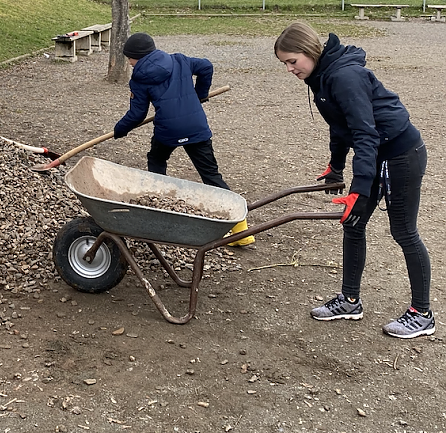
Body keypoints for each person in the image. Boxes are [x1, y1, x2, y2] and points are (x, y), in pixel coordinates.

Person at [274, 21, 434, 339]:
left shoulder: (344, 77)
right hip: (377, 152)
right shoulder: (320, 76)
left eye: (292, 61)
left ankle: (422, 314)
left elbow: (364, 133)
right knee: (354, 223)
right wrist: (335, 167)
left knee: (403, 231)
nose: (290, 69)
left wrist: (359, 189)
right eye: (285, 64)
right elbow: (340, 126)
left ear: (309, 51)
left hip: (400, 154)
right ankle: (349, 301)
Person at [113, 32, 254, 246]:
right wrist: (201, 94)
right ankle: (241, 230)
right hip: (196, 128)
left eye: (130, 58)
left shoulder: (139, 79)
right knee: (210, 175)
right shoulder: (179, 60)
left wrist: (120, 130)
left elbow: (137, 114)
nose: (130, 63)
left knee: (157, 160)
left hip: (168, 130)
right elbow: (206, 66)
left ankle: (158, 207)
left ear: (138, 57)